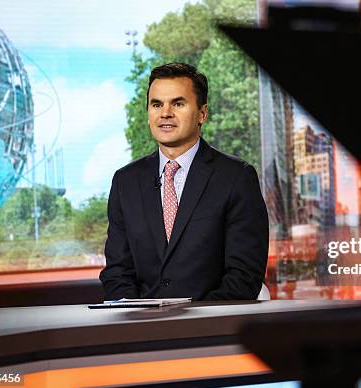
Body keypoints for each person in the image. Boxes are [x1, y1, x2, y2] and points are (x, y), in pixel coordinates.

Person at [99, 62, 269, 300]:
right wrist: (136, 319)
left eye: (178, 103)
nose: (165, 113)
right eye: (157, 104)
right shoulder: (125, 182)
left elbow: (244, 275)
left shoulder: (236, 177)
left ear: (202, 113)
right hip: (140, 326)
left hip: (209, 327)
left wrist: (192, 322)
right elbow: (117, 272)